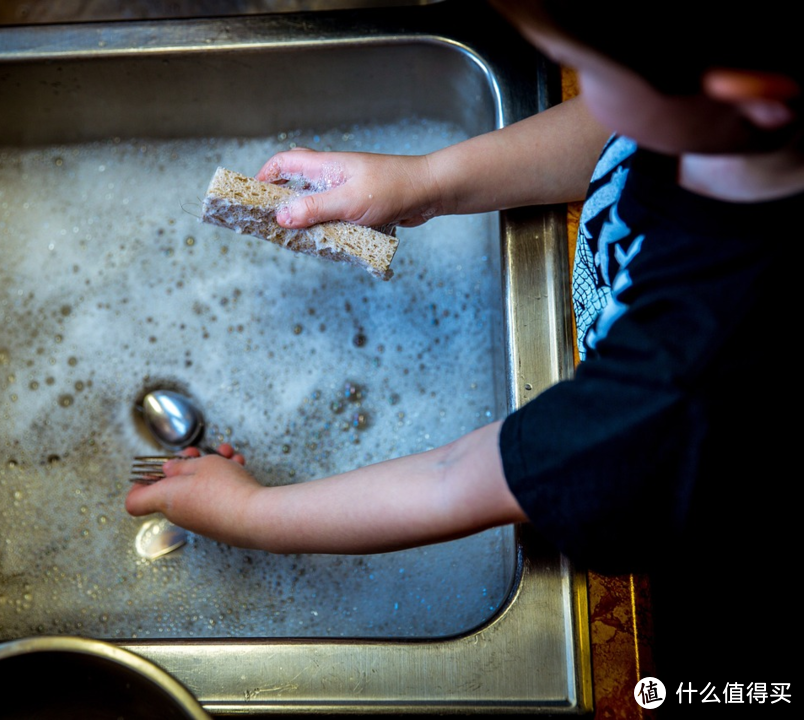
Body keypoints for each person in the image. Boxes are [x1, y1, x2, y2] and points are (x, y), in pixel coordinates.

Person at [127, 1, 801, 707]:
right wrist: (427, 183)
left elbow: (458, 478)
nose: (580, 91)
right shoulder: (725, 128)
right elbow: (616, 134)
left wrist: (252, 517)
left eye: (590, 73)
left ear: (750, 97)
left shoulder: (686, 382)